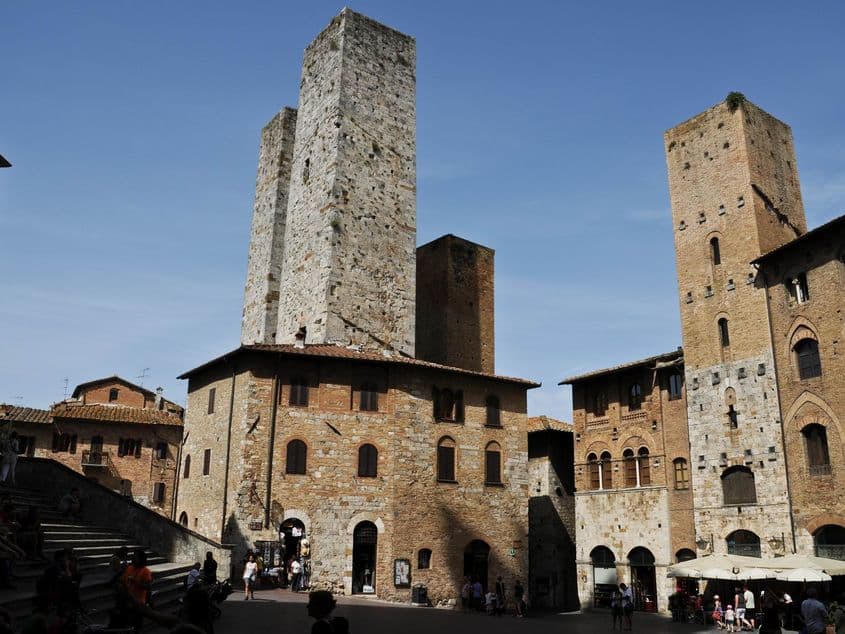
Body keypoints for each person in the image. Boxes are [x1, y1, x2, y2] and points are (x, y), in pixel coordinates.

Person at [124, 549, 153, 630]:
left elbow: (148, 587)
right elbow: (125, 581)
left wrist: (135, 582)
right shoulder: (129, 568)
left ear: (141, 558)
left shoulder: (146, 571)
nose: (133, 557)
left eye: (135, 556)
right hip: (128, 600)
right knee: (127, 623)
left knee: (137, 625)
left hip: (139, 603)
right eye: (133, 555)